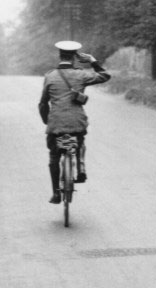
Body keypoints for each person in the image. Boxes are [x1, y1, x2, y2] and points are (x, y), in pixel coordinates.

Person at [38, 41, 111, 204]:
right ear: (75, 58)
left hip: (56, 124)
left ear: (60, 55)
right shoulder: (82, 75)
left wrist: (47, 121)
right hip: (76, 122)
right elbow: (105, 76)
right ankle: (81, 167)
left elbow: (43, 103)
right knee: (79, 141)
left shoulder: (50, 76)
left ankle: (56, 194)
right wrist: (92, 60)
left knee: (54, 156)